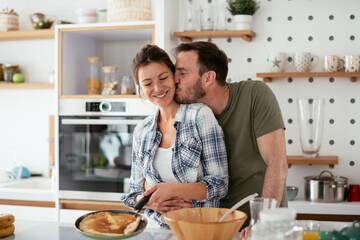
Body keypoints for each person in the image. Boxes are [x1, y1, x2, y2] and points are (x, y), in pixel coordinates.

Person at [171, 41, 288, 229]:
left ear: (208, 78)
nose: (174, 79)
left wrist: (263, 224)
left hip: (261, 226)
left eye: (183, 73)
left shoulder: (255, 94)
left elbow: (277, 163)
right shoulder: (185, 112)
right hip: (213, 227)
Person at [120, 44, 229, 228]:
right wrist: (149, 201)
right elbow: (133, 194)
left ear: (174, 77)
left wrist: (172, 189)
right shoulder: (142, 131)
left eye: (163, 78)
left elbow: (220, 184)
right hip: (156, 231)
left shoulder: (199, 116)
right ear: (140, 89)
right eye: (147, 83)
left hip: (199, 229)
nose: (158, 87)